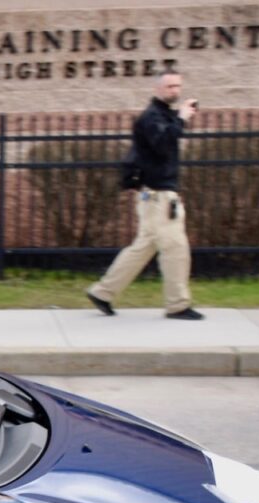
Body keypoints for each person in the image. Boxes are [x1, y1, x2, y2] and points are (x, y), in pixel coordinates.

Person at [86, 69, 203, 321]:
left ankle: (103, 293)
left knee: (141, 249)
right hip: (158, 197)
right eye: (170, 86)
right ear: (157, 89)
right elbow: (162, 145)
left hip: (158, 197)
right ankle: (177, 305)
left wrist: (180, 116)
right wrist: (181, 119)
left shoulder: (161, 116)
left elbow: (166, 140)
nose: (175, 91)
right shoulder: (150, 118)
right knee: (176, 249)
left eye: (178, 86)